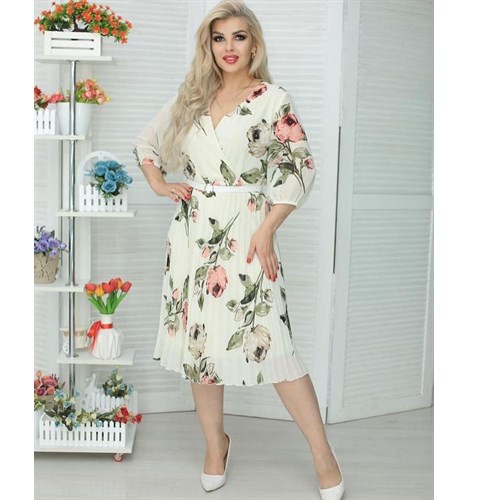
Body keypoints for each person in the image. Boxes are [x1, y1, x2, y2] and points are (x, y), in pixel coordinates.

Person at [133, 1, 344, 498]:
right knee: (201, 345)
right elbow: (146, 143)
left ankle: (322, 454)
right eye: (219, 38)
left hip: (248, 230)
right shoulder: (192, 96)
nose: (229, 47)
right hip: (193, 235)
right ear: (208, 46)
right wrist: (160, 183)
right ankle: (216, 445)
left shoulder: (272, 99)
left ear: (254, 44)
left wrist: (267, 229)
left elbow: (300, 166)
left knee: (277, 346)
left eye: (239, 37)